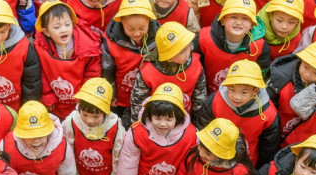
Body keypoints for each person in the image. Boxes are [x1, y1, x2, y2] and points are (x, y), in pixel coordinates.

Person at [117, 83, 197, 175]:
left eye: (169, 119)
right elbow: (129, 156)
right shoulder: (137, 131)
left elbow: (191, 163)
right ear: (149, 115)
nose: (162, 124)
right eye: (157, 118)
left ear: (179, 117)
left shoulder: (191, 135)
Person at [195, 59, 280, 168]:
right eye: (232, 90)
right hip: (212, 158)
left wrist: (259, 169)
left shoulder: (268, 114)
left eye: (244, 92)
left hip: (245, 162)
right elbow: (202, 126)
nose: (236, 97)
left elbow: (268, 147)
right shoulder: (215, 100)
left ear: (256, 90)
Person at [62, 78, 125, 175]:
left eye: (96, 116)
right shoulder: (72, 121)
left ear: (106, 111)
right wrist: (67, 168)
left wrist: (117, 173)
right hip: (79, 167)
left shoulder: (115, 126)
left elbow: (118, 151)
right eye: (85, 115)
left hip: (105, 170)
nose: (90, 120)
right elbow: (66, 146)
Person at [34, 0, 102, 120]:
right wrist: (47, 95)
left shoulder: (88, 48)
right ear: (46, 32)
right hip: (54, 102)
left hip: (79, 101)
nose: (64, 30)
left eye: (67, 24)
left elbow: (92, 72)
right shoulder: (40, 48)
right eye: (57, 27)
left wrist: (85, 96)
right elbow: (39, 73)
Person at [100, 0, 159, 129]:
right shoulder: (111, 42)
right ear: (121, 22)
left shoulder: (159, 38)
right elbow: (107, 70)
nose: (137, 33)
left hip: (148, 96)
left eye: (142, 28)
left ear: (149, 21)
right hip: (120, 96)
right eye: (130, 29)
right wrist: (111, 94)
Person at [130, 21, 206, 120]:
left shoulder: (195, 65)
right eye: (182, 51)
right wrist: (138, 125)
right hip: (157, 122)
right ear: (168, 56)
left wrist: (198, 123)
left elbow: (200, 99)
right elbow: (138, 103)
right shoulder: (148, 72)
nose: (189, 53)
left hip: (184, 119)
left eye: (189, 46)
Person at [268, 40, 316, 137]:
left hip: (305, 134)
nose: (307, 75)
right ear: (301, 60)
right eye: (306, 67)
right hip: (276, 128)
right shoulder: (281, 75)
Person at [192, 0, 270, 94]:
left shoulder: (259, 47)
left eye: (245, 18)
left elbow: (261, 76)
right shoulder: (203, 38)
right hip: (206, 93)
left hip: (240, 97)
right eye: (233, 17)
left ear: (252, 25)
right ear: (223, 20)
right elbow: (193, 69)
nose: (239, 22)